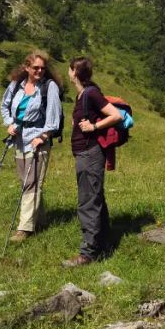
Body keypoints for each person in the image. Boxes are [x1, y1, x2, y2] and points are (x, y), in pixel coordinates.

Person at [63, 56, 123, 267]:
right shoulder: (82, 95)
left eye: (70, 69)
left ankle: (88, 253)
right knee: (95, 197)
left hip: (90, 154)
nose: (68, 73)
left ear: (74, 72)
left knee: (88, 201)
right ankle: (103, 244)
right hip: (84, 153)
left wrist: (94, 127)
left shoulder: (91, 93)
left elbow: (116, 115)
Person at [0, 51, 63, 243]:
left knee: (32, 182)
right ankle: (40, 221)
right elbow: (4, 106)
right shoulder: (16, 85)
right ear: (26, 67)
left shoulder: (49, 87)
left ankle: (24, 228)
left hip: (39, 139)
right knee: (26, 181)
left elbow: (54, 117)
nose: (40, 71)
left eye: (43, 68)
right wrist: (10, 123)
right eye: (35, 67)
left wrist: (43, 136)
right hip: (19, 139)